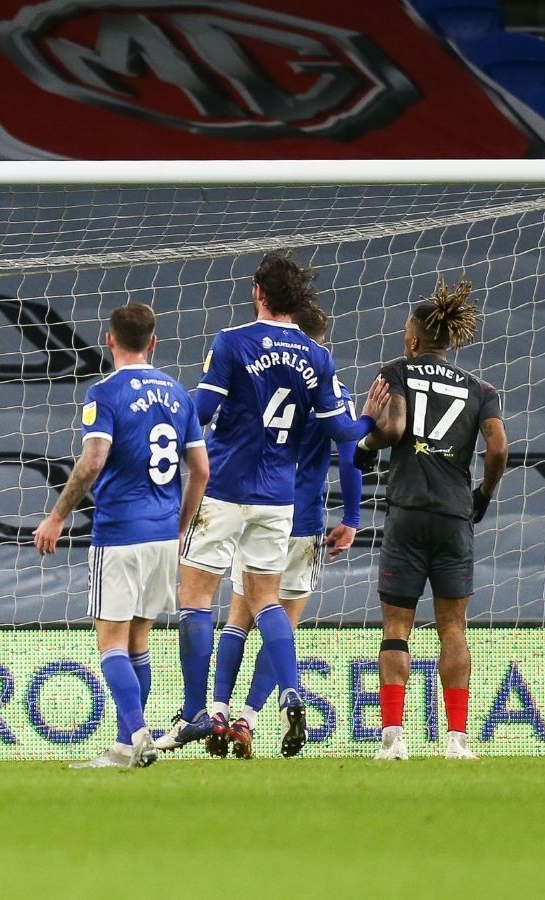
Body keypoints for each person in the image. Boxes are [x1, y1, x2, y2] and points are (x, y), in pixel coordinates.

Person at [160, 251, 388, 758]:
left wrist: (161, 412)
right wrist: (370, 420)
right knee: (267, 603)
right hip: (279, 502)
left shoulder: (232, 342)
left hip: (223, 489)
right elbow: (345, 436)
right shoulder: (318, 358)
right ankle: (288, 691)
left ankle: (199, 712)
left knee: (196, 598)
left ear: (258, 293)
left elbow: (199, 413)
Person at [34, 303, 209, 769]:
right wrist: (180, 523)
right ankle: (124, 746)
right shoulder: (179, 393)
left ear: (109, 339)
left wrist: (56, 517)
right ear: (154, 341)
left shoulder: (104, 393)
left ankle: (137, 734)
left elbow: (93, 460)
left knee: (110, 641)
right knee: (138, 642)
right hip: (162, 537)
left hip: (120, 533)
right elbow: (201, 470)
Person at [205, 302, 364, 759]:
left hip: (261, 508)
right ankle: (251, 719)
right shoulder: (334, 391)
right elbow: (351, 453)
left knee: (240, 616)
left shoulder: (260, 375)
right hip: (306, 521)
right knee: (282, 624)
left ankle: (219, 710)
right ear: (321, 341)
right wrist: (351, 519)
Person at [357, 277, 506, 761]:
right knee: (453, 627)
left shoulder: (397, 371)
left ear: (416, 338)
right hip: (452, 515)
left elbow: (393, 427)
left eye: (406, 330)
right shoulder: (480, 389)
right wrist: (482, 493)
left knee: (396, 627)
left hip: (406, 514)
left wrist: (365, 444)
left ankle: (393, 739)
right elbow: (498, 449)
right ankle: (457, 741)